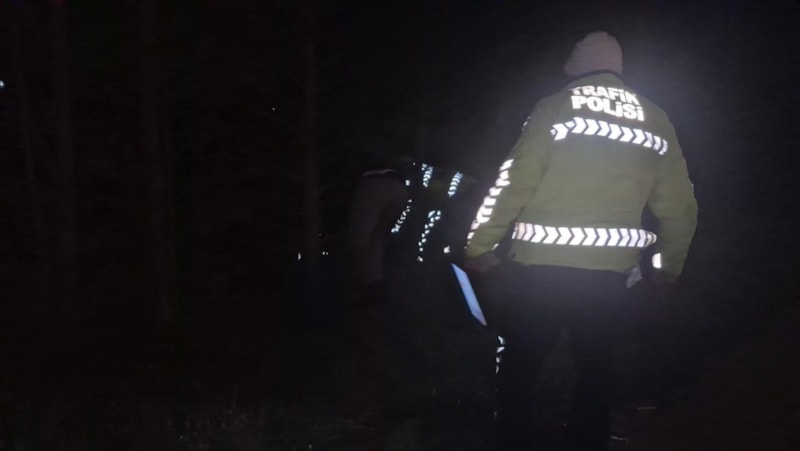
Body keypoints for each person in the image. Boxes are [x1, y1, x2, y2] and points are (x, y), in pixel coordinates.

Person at [463, 31, 698, 450]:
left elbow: (512, 183)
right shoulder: (655, 117)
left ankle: (513, 440)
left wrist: (479, 246)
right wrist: (668, 267)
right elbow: (680, 206)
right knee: (596, 369)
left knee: (521, 366)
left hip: (540, 272)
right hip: (609, 277)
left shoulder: (555, 106)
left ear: (574, 66)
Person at [347, 154, 411, 303]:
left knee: (361, 237)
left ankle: (366, 283)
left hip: (373, 181)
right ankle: (375, 282)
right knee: (378, 236)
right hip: (398, 186)